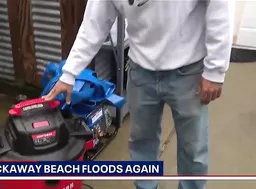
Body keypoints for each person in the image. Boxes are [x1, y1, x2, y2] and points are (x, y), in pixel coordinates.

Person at [43, 0, 234, 188]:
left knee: (193, 147)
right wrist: (69, 75)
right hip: (141, 70)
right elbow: (94, 24)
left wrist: (215, 71)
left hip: (188, 70)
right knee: (142, 142)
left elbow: (220, 8)